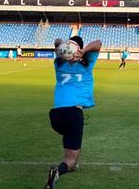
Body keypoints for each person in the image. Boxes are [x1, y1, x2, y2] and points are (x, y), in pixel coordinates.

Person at [44, 36, 102, 189]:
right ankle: (59, 171)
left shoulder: (59, 63)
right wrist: (83, 51)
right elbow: (98, 43)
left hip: (55, 115)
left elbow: (56, 41)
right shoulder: (87, 63)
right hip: (73, 113)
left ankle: (74, 164)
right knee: (70, 159)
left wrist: (63, 46)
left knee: (70, 136)